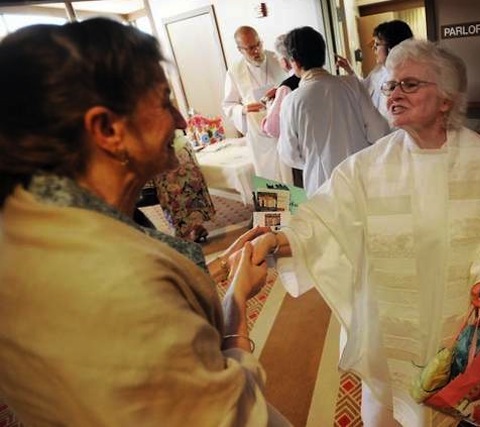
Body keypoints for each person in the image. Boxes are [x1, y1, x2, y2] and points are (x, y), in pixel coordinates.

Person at [0, 18, 290, 426]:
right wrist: (236, 306)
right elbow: (229, 417)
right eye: (165, 101)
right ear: (107, 129)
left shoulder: (45, 220)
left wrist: (222, 263)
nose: (181, 120)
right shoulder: (112, 285)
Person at [252, 39, 480, 426]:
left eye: (410, 84)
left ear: (446, 99)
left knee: (455, 393)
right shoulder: (367, 167)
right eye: (390, 85)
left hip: (458, 311)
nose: (394, 93)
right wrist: (278, 238)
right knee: (391, 402)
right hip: (394, 318)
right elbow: (322, 217)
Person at [278, 26, 390, 196]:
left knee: (328, 221)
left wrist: (316, 159)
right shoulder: (351, 84)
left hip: (321, 185)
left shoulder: (291, 102)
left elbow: (289, 154)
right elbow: (379, 130)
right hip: (359, 174)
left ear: (295, 62)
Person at [222, 25, 291, 184]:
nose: (256, 50)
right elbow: (228, 104)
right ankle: (276, 210)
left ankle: (295, 208)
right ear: (240, 49)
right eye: (249, 48)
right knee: (267, 175)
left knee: (287, 172)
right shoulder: (234, 70)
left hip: (282, 127)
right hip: (257, 132)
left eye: (258, 44)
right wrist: (243, 109)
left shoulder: (278, 59)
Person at [335, 20, 413, 118]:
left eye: (377, 44)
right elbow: (365, 88)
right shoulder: (378, 71)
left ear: (391, 47)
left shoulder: (405, 77)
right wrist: (350, 70)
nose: (373, 49)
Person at [153, 131, 216, 243]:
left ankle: (189, 234)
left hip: (168, 151)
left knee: (177, 197)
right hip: (177, 147)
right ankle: (196, 229)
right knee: (188, 193)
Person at [260, 33, 303, 187]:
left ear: (285, 62)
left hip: (299, 152)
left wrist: (268, 108)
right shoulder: (316, 78)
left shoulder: (286, 87)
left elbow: (272, 128)